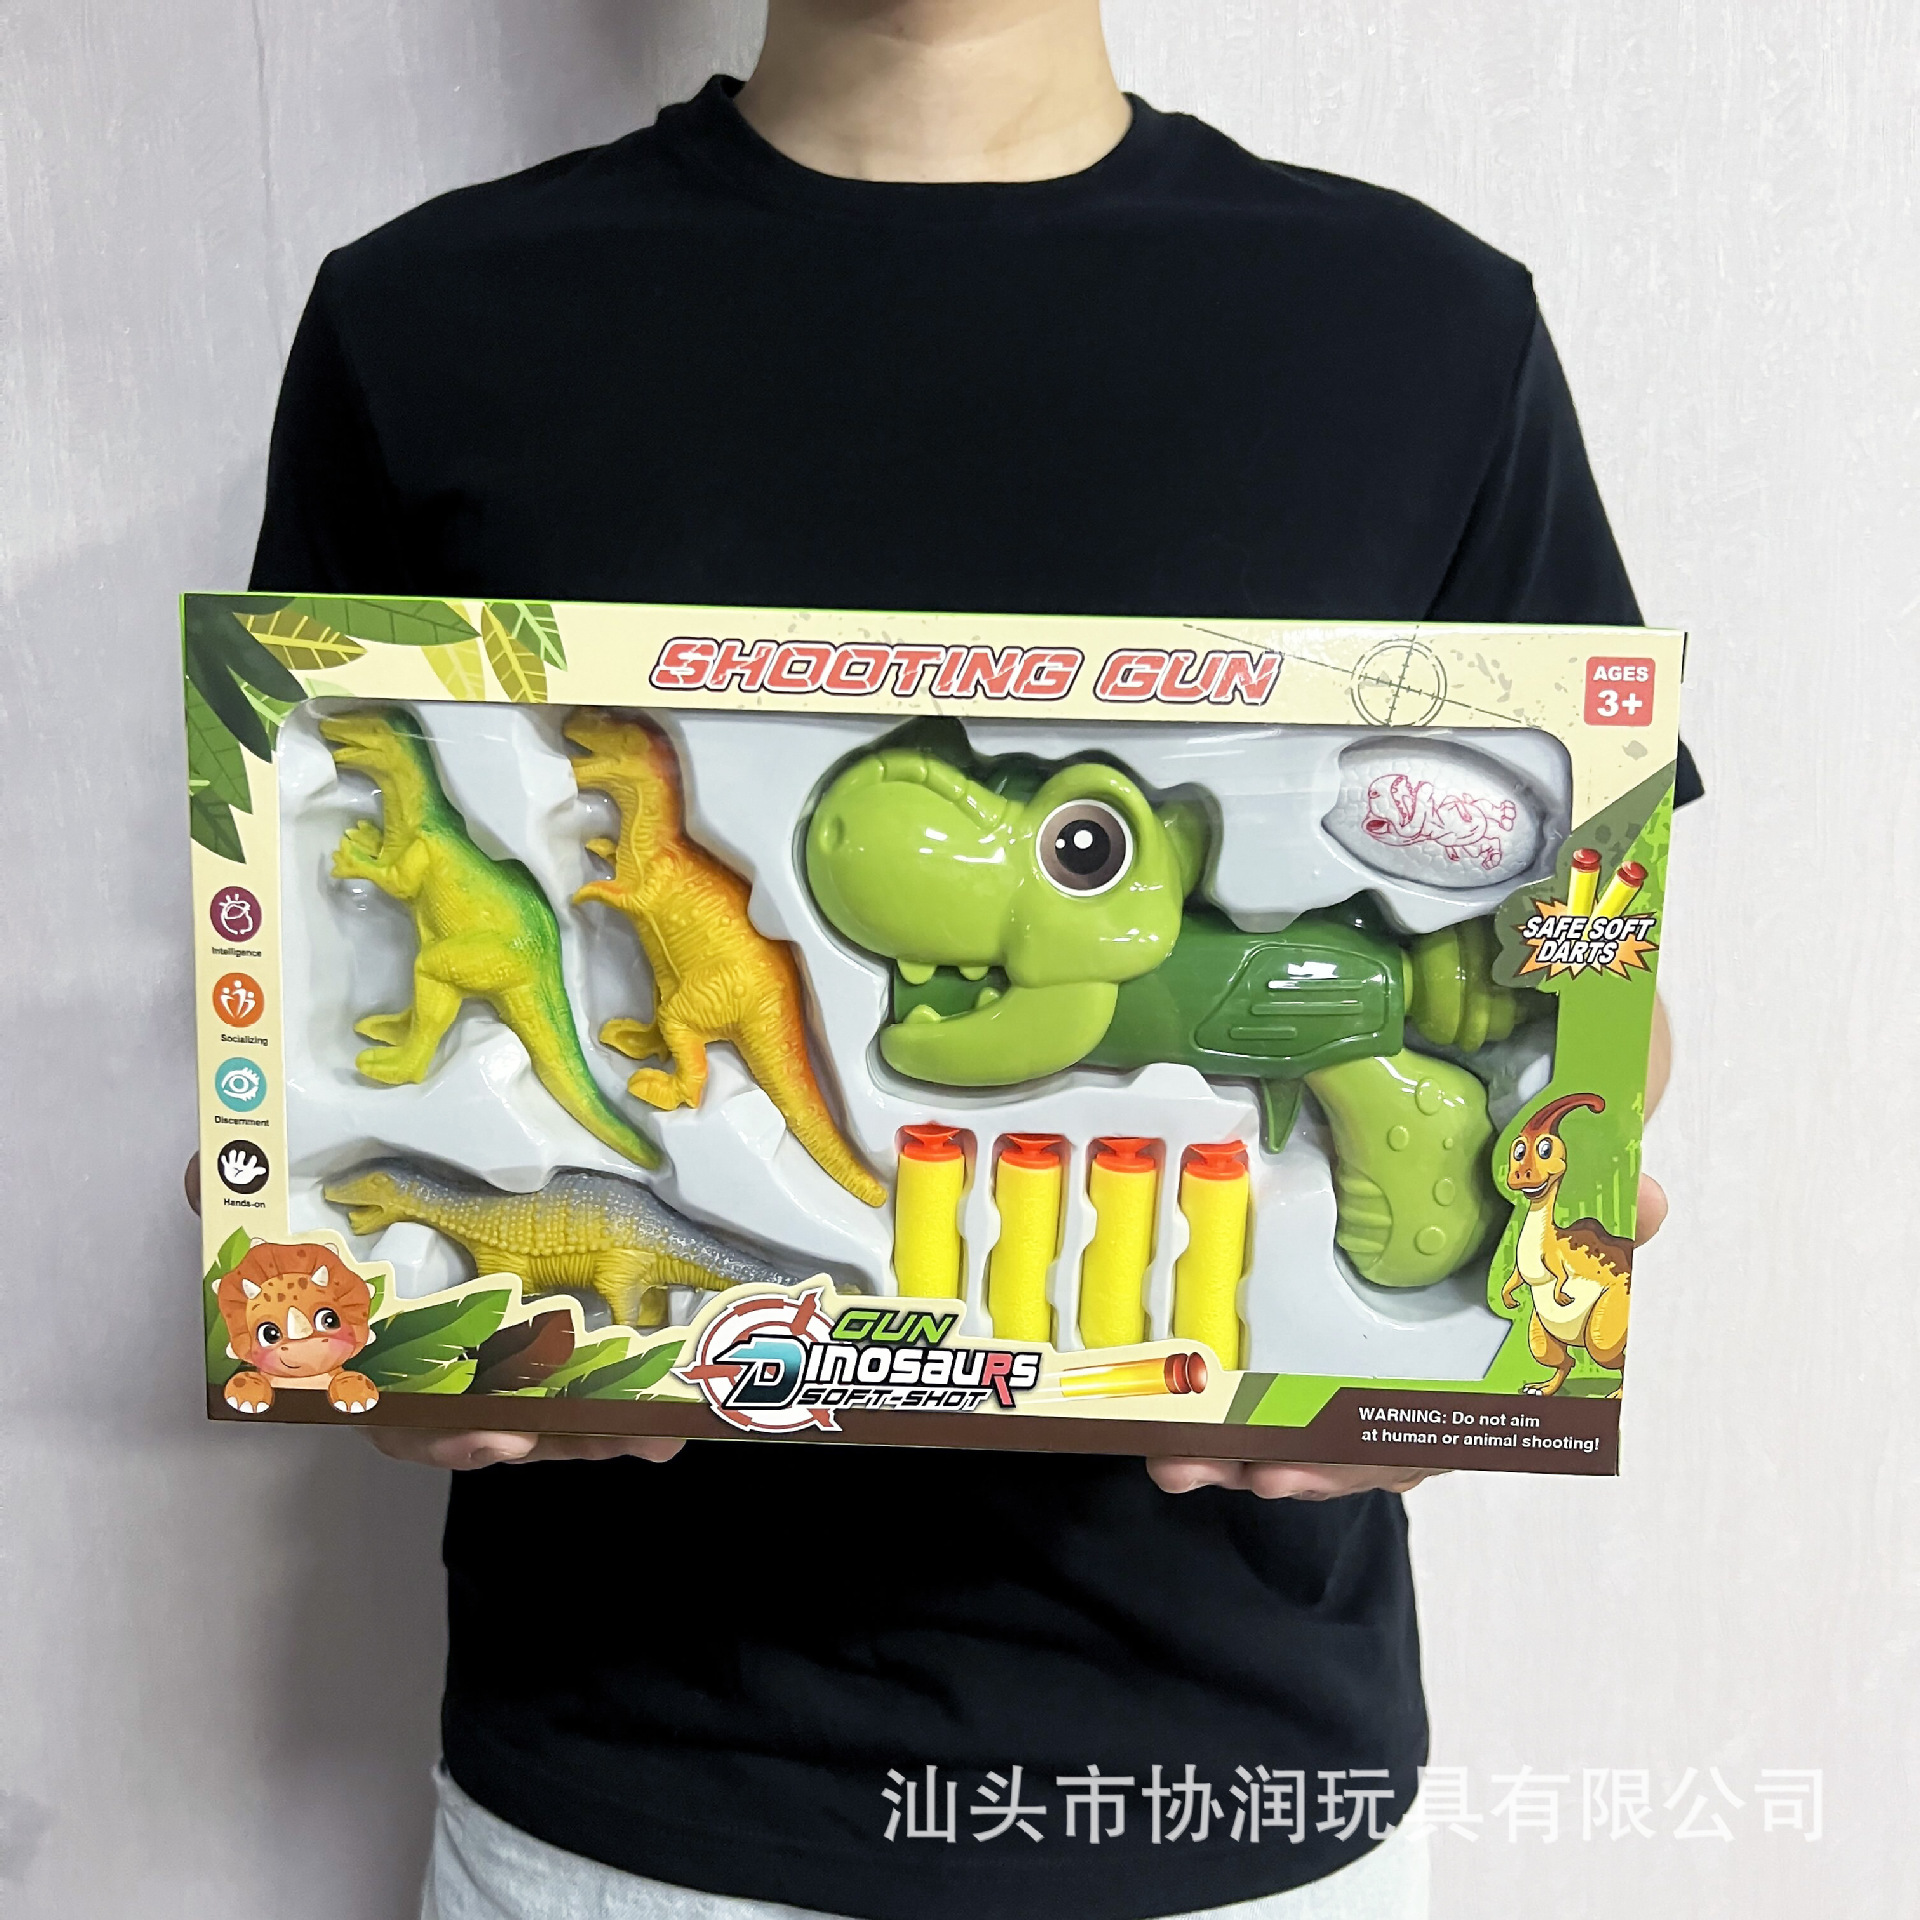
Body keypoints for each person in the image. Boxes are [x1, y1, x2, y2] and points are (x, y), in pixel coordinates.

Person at [226, 2, 1694, 1915]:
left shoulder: (1424, 327)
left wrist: (1524, 1260)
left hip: (1235, 1794)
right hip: (623, 1794)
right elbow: (305, 970)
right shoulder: (429, 320)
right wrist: (321, 1273)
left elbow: (1589, 947)